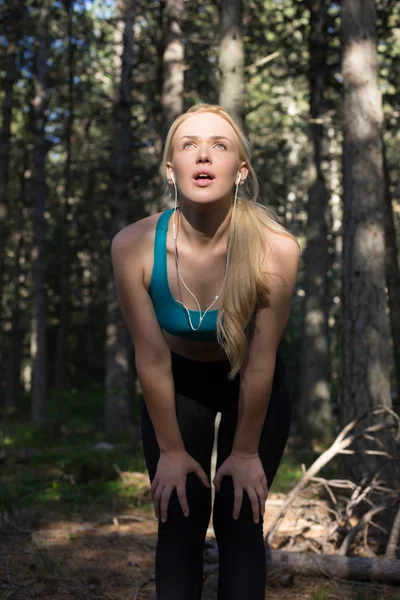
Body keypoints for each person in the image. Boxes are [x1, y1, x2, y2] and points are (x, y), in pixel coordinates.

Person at [111, 103, 301, 600]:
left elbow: (260, 360)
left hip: (250, 380)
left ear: (240, 172)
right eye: (189, 144)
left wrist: (243, 452)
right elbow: (151, 358)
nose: (204, 154)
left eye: (219, 145)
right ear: (170, 169)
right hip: (176, 382)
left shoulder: (276, 248)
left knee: (240, 519)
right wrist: (171, 452)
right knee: (179, 515)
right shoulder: (132, 245)